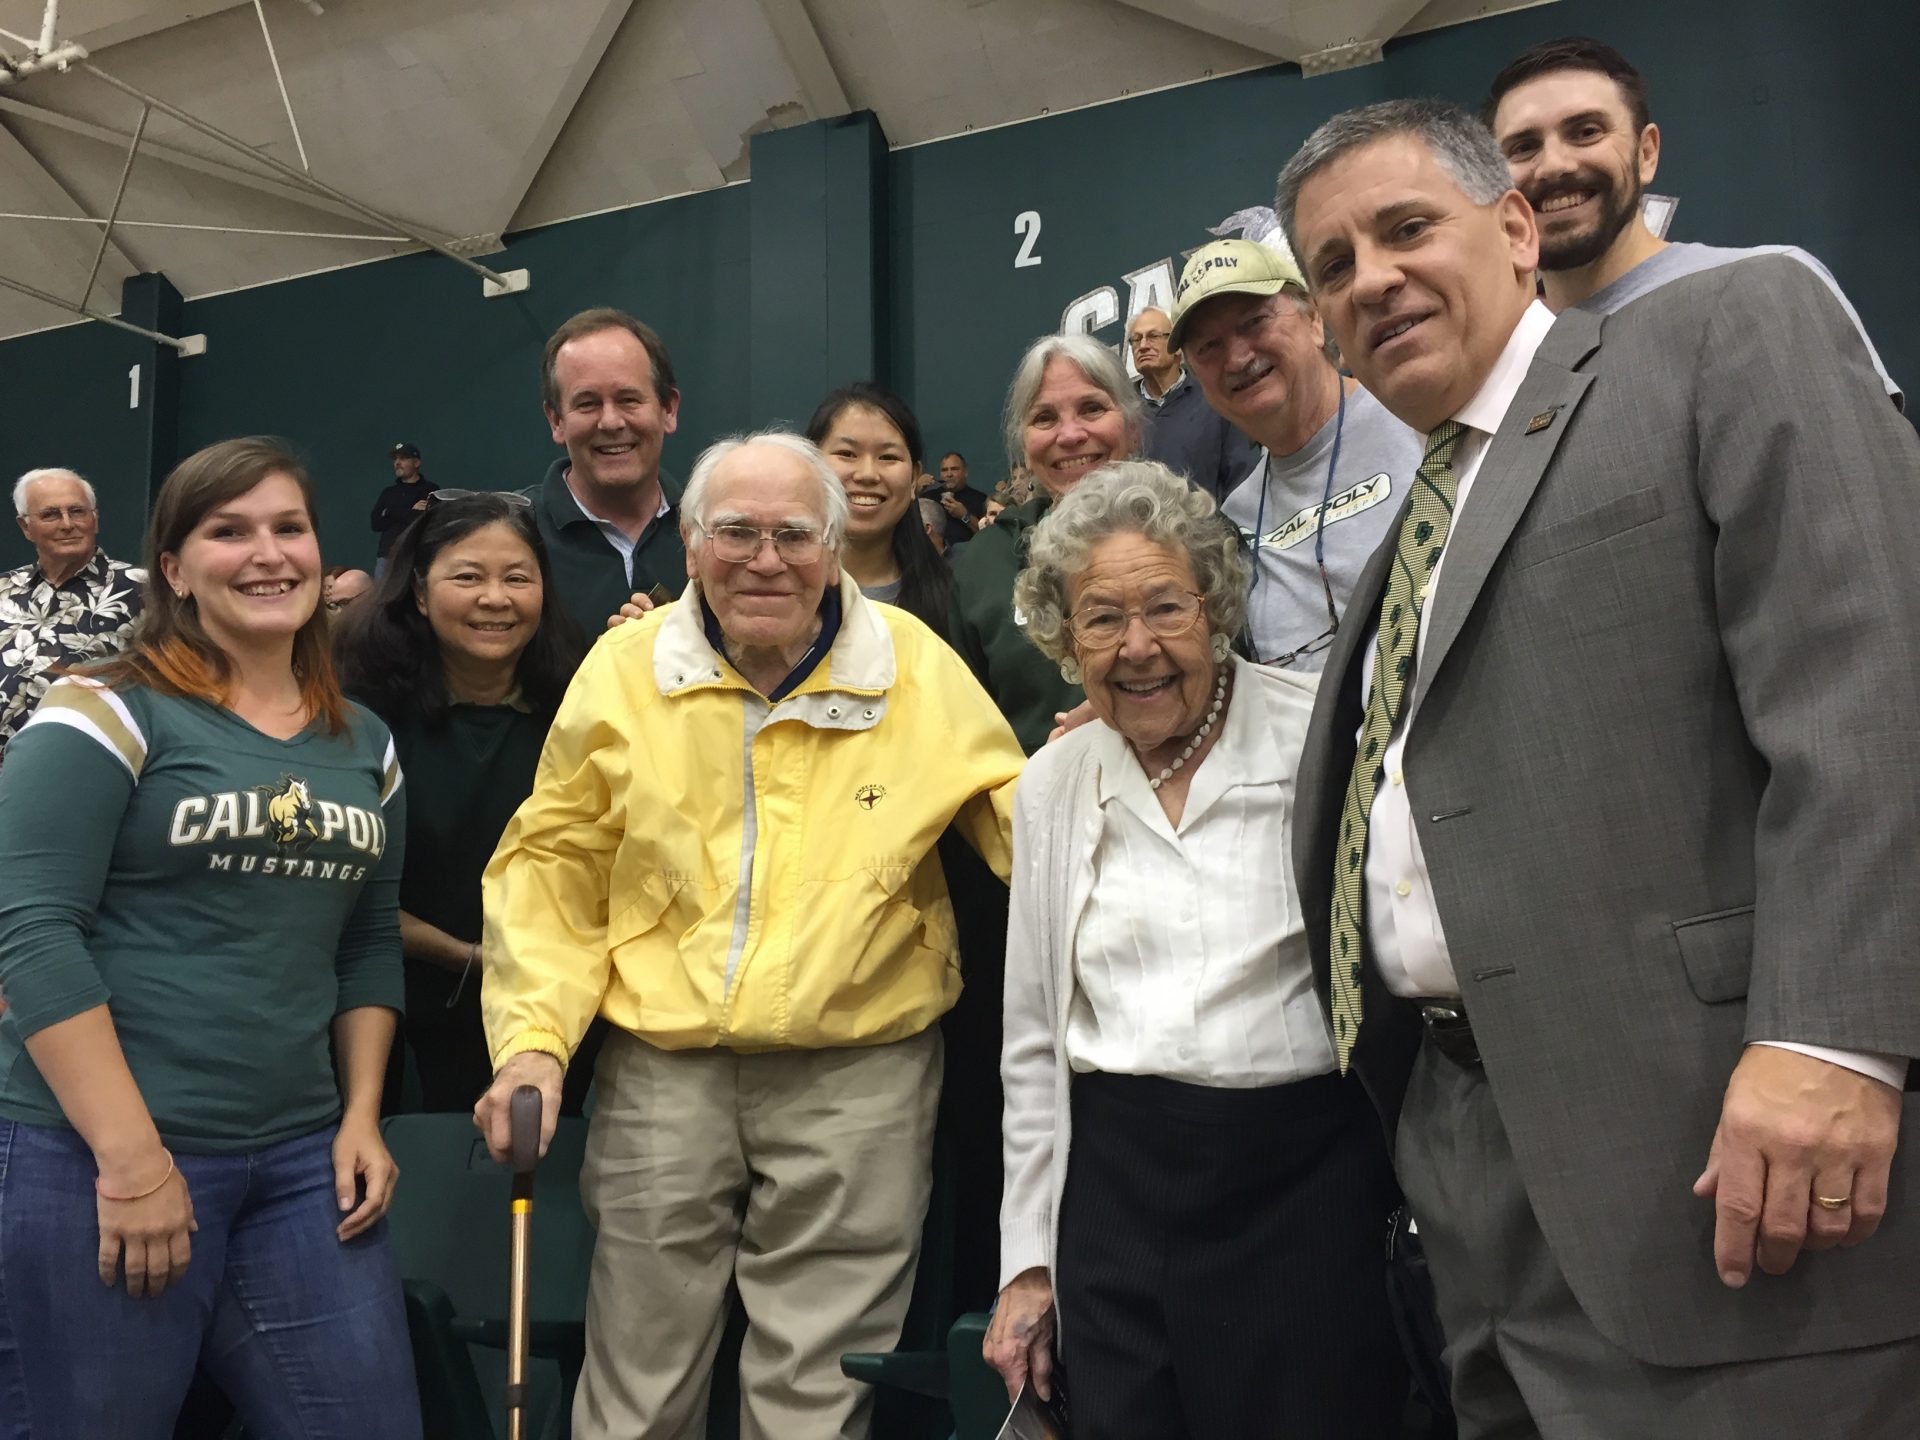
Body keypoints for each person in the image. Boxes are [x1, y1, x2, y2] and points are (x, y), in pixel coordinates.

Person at [1277, 96, 1920, 1437]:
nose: (1370, 280)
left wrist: (1833, 1038)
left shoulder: (1722, 326)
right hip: (1462, 1160)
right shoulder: (1416, 519)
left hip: (1715, 1142)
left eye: (1405, 230)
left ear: (1516, 228)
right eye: (1332, 266)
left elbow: (1872, 683)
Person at [473, 431, 1025, 1440]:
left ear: (835, 545)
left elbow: (1014, 815)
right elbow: (554, 866)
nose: (764, 559)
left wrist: (1105, 778)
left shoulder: (912, 666)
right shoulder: (626, 670)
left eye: (792, 534)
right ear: (690, 544)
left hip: (860, 1072)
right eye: (735, 532)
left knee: (817, 1399)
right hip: (663, 1069)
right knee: (636, 1381)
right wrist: (533, 1045)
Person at [0, 437, 416, 1438]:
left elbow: (365, 945)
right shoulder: (104, 708)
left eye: (289, 528)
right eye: (228, 532)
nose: (267, 554)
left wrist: (360, 1116)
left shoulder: (364, 742)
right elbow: (29, 934)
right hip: (93, 1157)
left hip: (301, 1164)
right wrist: (133, 1161)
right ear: (176, 571)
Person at [983, 462, 1405, 1438]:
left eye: (1166, 607)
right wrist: (1029, 1264)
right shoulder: (1052, 781)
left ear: (1214, 605)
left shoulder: (1320, 737)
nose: (1138, 647)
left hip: (1308, 1185)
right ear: (1062, 635)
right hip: (1117, 1193)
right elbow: (1033, 1041)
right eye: (1100, 618)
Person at [335, 491, 585, 1113]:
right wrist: (467, 959)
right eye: (468, 577)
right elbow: (346, 888)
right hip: (386, 1008)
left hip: (550, 1011)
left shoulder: (582, 712)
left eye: (517, 578)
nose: (495, 599)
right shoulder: (358, 720)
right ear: (419, 593)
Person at [1484, 36, 1901, 407]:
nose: (1553, 165)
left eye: (1586, 131)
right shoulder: (1485, 361)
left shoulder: (1769, 288)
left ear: (1646, 154)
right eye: (1523, 147)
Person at [1169, 239, 1424, 667]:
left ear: (1313, 319)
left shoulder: (1416, 421)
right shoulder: (1235, 519)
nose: (1236, 357)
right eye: (1208, 347)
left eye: (1254, 322)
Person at [949, 333, 1144, 752]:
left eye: (1092, 408)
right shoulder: (984, 564)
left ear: (1131, 424)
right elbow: (961, 736)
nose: (1070, 435)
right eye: (1045, 418)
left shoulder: (1195, 539)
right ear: (1023, 441)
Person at [533, 308, 688, 641]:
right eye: (587, 403)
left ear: (668, 410)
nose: (610, 422)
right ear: (556, 420)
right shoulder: (514, 536)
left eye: (629, 399)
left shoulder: (715, 534)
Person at [2, 467, 145, 766]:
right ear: (26, 527)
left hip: (84, 767)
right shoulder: (4, 589)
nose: (67, 524)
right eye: (51, 514)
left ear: (95, 518)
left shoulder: (143, 589)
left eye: (77, 511)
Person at [805, 383, 951, 630]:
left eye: (888, 457)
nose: (867, 474)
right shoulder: (778, 590)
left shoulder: (954, 601)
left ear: (915, 478)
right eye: (847, 453)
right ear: (810, 464)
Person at [1127, 305, 1261, 502]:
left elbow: (1243, 477)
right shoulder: (1123, 410)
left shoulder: (1216, 397)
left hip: (1211, 529)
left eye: (1153, 336)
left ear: (1177, 348)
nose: (1143, 345)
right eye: (1136, 339)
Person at [367, 443, 435, 577]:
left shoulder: (430, 490)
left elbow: (428, 523)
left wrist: (391, 513)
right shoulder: (388, 493)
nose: (397, 463)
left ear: (416, 463)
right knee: (383, 597)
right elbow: (376, 524)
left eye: (403, 458)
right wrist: (412, 512)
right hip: (387, 556)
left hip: (416, 556)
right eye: (395, 459)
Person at [934, 451, 987, 547]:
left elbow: (987, 536)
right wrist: (915, 491)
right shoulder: (929, 498)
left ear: (965, 472)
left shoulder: (980, 499)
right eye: (944, 470)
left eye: (954, 469)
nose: (949, 474)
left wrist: (964, 515)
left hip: (967, 557)